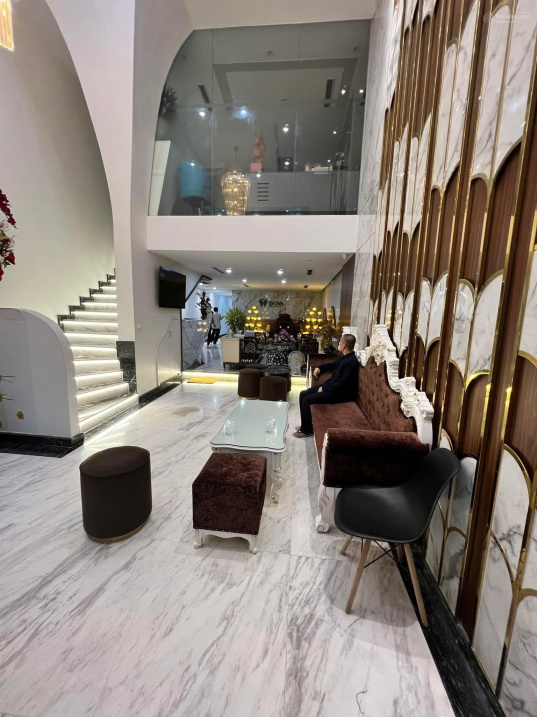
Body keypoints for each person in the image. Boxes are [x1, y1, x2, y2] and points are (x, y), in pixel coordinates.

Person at [294, 334, 359, 438]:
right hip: (332, 387)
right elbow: (332, 365)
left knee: (307, 400)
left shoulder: (351, 362)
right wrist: (320, 368)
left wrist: (324, 388)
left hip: (340, 393)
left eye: (340, 342)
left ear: (343, 346)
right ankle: (306, 425)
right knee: (303, 394)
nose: (339, 344)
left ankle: (306, 431)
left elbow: (342, 383)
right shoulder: (345, 357)